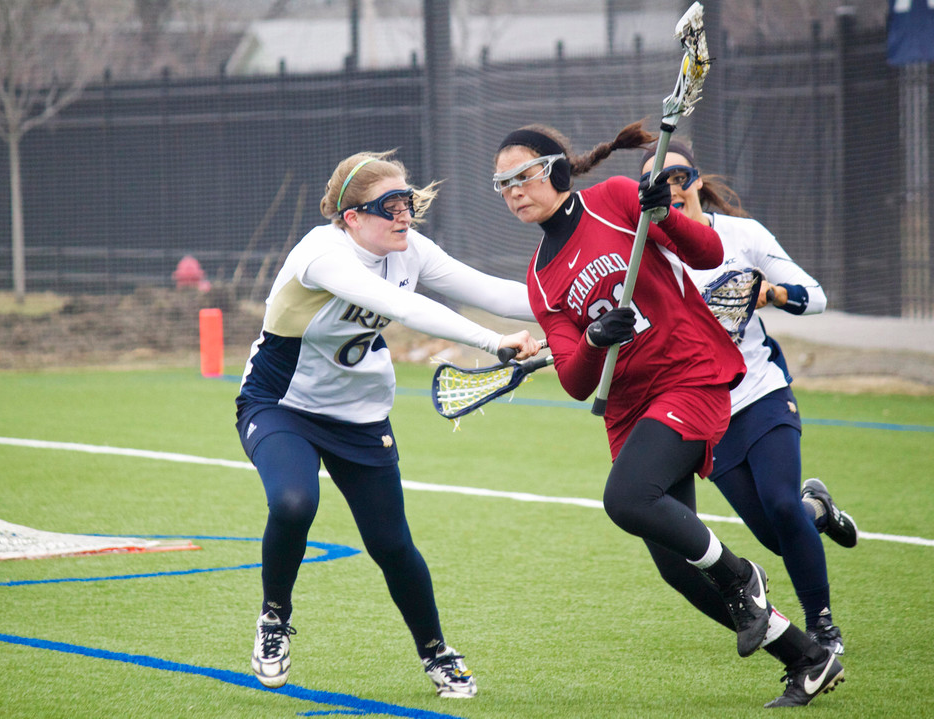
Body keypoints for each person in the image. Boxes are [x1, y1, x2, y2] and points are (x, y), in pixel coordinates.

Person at [493, 123, 843, 708]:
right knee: (676, 569)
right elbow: (578, 381)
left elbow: (705, 253)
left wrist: (666, 216)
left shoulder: (614, 200)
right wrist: (596, 341)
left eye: (522, 175)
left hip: (688, 373)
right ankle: (807, 658)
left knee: (625, 499)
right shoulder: (539, 275)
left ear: (555, 169)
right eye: (501, 184)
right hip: (631, 407)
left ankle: (741, 577)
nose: (513, 191)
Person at [236, 150, 542, 698]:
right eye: (389, 206)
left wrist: (578, 303)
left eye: (409, 203)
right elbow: (400, 309)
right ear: (351, 217)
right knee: (293, 503)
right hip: (283, 403)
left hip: (360, 415)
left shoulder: (411, 251)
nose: (404, 216)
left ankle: (437, 654)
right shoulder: (322, 252)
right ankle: (274, 619)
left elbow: (494, 292)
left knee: (391, 544)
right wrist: (493, 342)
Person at [640, 141, 859, 656]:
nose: (672, 190)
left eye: (680, 177)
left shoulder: (741, 235)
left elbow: (816, 296)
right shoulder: (643, 252)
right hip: (705, 412)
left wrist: (773, 293)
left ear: (697, 181)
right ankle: (818, 511)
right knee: (773, 533)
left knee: (780, 504)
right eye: (658, 183)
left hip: (761, 391)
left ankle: (823, 627)